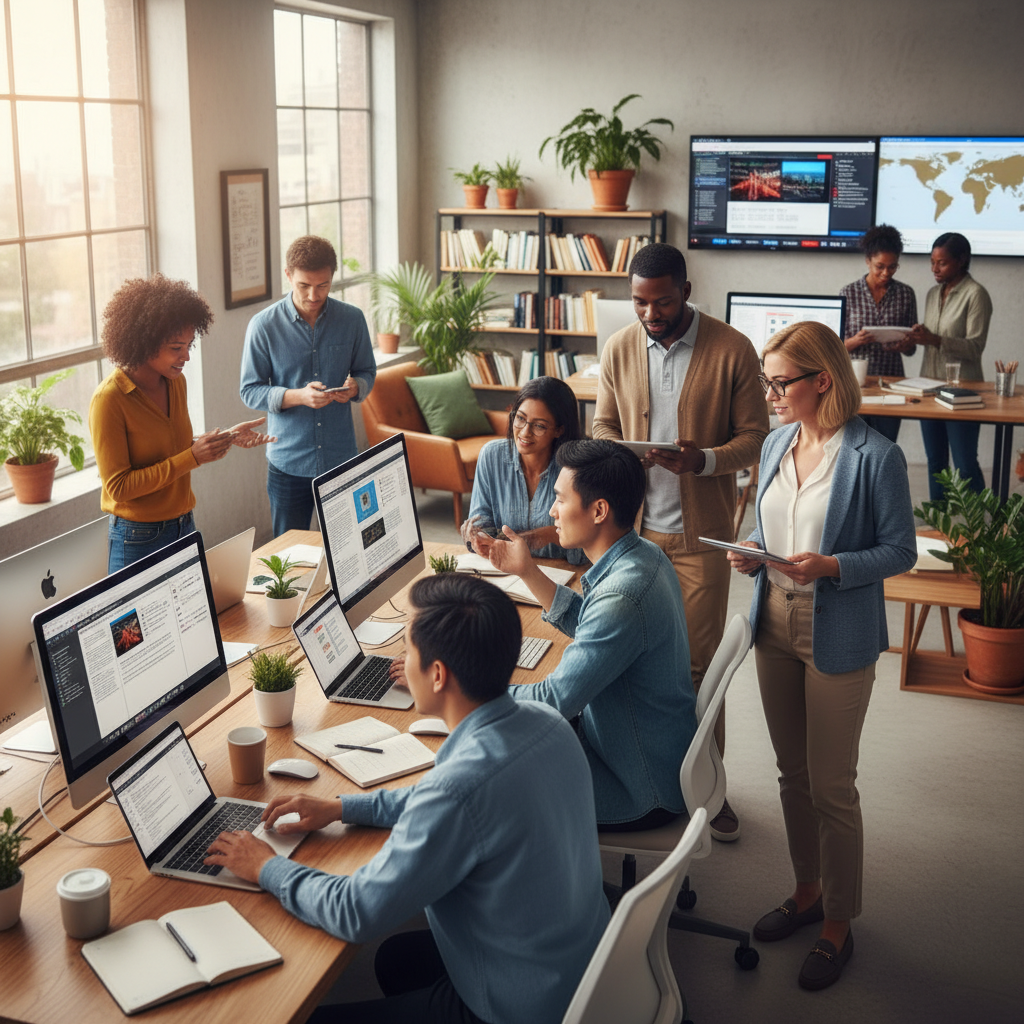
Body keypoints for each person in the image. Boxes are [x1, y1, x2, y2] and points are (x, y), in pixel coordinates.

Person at [205, 573, 608, 1024]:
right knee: (394, 959)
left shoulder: (458, 791)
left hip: (519, 1011)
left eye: (409, 649)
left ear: (437, 675)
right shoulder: (546, 722)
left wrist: (266, 867)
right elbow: (447, 799)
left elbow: (356, 911)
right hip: (583, 972)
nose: (402, 659)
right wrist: (341, 807)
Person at [726, 321, 916, 991]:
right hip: (772, 620)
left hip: (836, 625)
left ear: (822, 381)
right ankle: (805, 890)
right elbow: (766, 520)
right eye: (769, 381)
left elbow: (900, 551)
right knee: (791, 772)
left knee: (833, 784)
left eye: (781, 383)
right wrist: (752, 550)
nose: (771, 395)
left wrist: (832, 565)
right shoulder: (779, 441)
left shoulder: (873, 456)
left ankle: (839, 920)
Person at [592, 242, 768, 841]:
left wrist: (703, 459)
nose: (649, 313)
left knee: (697, 671)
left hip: (701, 539)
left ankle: (709, 791)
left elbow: (756, 438)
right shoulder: (619, 346)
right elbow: (602, 426)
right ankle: (646, 781)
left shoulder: (732, 349)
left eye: (661, 301)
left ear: (686, 291)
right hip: (631, 537)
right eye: (639, 302)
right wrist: (623, 454)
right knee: (627, 665)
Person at [477, 439, 696, 831]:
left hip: (637, 785)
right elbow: (594, 626)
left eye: (561, 499)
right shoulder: (642, 554)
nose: (551, 511)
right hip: (646, 751)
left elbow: (554, 699)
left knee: (487, 784)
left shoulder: (624, 595)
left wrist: (462, 688)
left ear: (598, 510)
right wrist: (528, 571)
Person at [90, 274, 273, 573]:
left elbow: (169, 449)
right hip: (137, 539)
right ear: (145, 342)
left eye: (189, 345)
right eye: (177, 348)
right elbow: (119, 486)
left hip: (184, 524)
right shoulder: (109, 400)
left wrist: (222, 439)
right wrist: (192, 457)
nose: (186, 356)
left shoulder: (176, 383)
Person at [240, 235, 377, 536]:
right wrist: (297, 396)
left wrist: (355, 389)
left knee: (351, 549)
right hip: (288, 463)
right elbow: (250, 389)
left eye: (323, 285)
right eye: (304, 285)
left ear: (332, 278)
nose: (314, 295)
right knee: (289, 559)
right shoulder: (263, 326)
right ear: (288, 275)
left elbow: (367, 371)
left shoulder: (352, 320)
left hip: (341, 457)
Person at [462, 375, 585, 565]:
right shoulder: (491, 456)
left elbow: (584, 551)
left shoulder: (575, 467)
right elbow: (481, 524)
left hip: (561, 574)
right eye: (520, 418)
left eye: (539, 426)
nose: (525, 432)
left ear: (559, 430)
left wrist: (547, 536)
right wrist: (477, 537)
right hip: (505, 570)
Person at [907, 231, 993, 500]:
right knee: (936, 463)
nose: (935, 268)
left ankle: (984, 528)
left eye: (941, 263)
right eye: (932, 262)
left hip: (962, 391)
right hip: (928, 388)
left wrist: (934, 338)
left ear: (961, 260)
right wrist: (920, 335)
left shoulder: (976, 294)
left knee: (965, 463)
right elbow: (934, 337)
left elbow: (975, 346)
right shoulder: (933, 293)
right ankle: (938, 526)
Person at [839, 223, 918, 442]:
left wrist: (906, 345)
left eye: (892, 267)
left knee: (887, 446)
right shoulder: (849, 293)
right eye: (879, 266)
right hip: (856, 384)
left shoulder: (905, 294)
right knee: (854, 448)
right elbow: (835, 346)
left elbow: (912, 348)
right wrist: (855, 341)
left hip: (891, 384)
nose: (885, 273)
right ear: (868, 261)